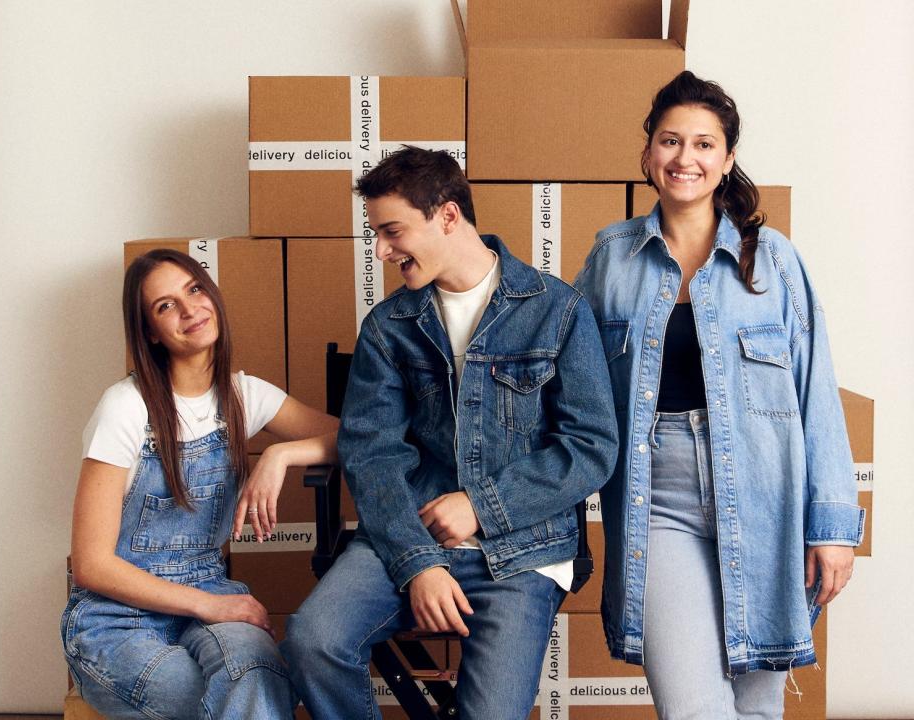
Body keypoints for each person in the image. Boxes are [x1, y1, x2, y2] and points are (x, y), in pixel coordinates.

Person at [282, 146, 618, 719]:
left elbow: (592, 448)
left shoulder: (557, 310)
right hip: (408, 535)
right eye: (377, 236)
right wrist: (419, 563)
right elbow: (371, 453)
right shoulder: (389, 326)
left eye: (392, 232)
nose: (383, 252)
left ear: (447, 214)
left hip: (522, 552)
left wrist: (482, 507)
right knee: (312, 640)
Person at [574, 71, 864, 718]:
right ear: (649, 152)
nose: (686, 159)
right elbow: (571, 384)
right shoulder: (610, 259)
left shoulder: (775, 262)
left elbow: (816, 393)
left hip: (767, 501)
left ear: (727, 158)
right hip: (657, 500)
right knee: (694, 709)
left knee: (758, 709)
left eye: (704, 145)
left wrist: (833, 527)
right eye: (671, 142)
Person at [60, 248, 338, 719]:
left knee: (259, 679)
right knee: (214, 697)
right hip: (115, 618)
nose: (190, 309)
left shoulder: (244, 396)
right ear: (150, 332)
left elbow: (356, 439)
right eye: (166, 305)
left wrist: (281, 452)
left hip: (211, 592)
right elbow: (90, 565)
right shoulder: (126, 408)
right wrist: (209, 606)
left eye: (194, 289)